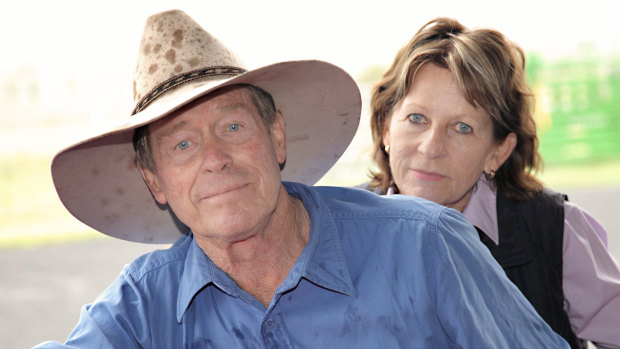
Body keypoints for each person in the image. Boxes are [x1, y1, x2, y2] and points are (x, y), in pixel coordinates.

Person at [35, 10, 569, 348]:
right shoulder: (142, 307)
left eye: (233, 126)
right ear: (156, 183)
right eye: (182, 144)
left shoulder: (428, 246)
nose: (215, 158)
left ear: (277, 138)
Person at [365, 17, 620, 349]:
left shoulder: (554, 231)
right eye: (416, 119)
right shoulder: (332, 231)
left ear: (498, 152)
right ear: (386, 127)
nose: (431, 147)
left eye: (462, 127)